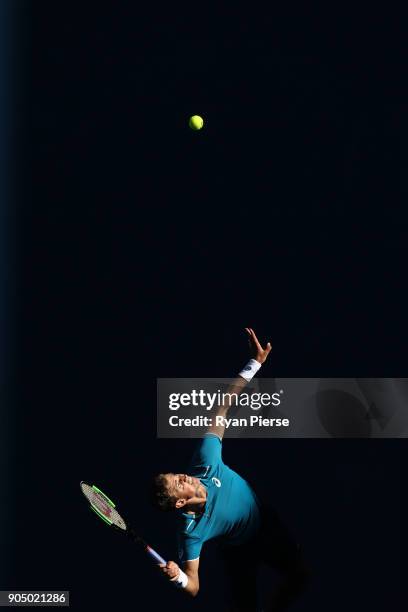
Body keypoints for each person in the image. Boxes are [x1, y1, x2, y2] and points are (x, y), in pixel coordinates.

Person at [151, 328, 309, 611]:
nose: (183, 476)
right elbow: (194, 586)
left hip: (265, 523)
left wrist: (254, 364)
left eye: (176, 475)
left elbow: (221, 408)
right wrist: (178, 579)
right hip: (239, 553)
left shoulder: (204, 461)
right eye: (178, 483)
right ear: (180, 501)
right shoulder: (190, 533)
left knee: (300, 577)